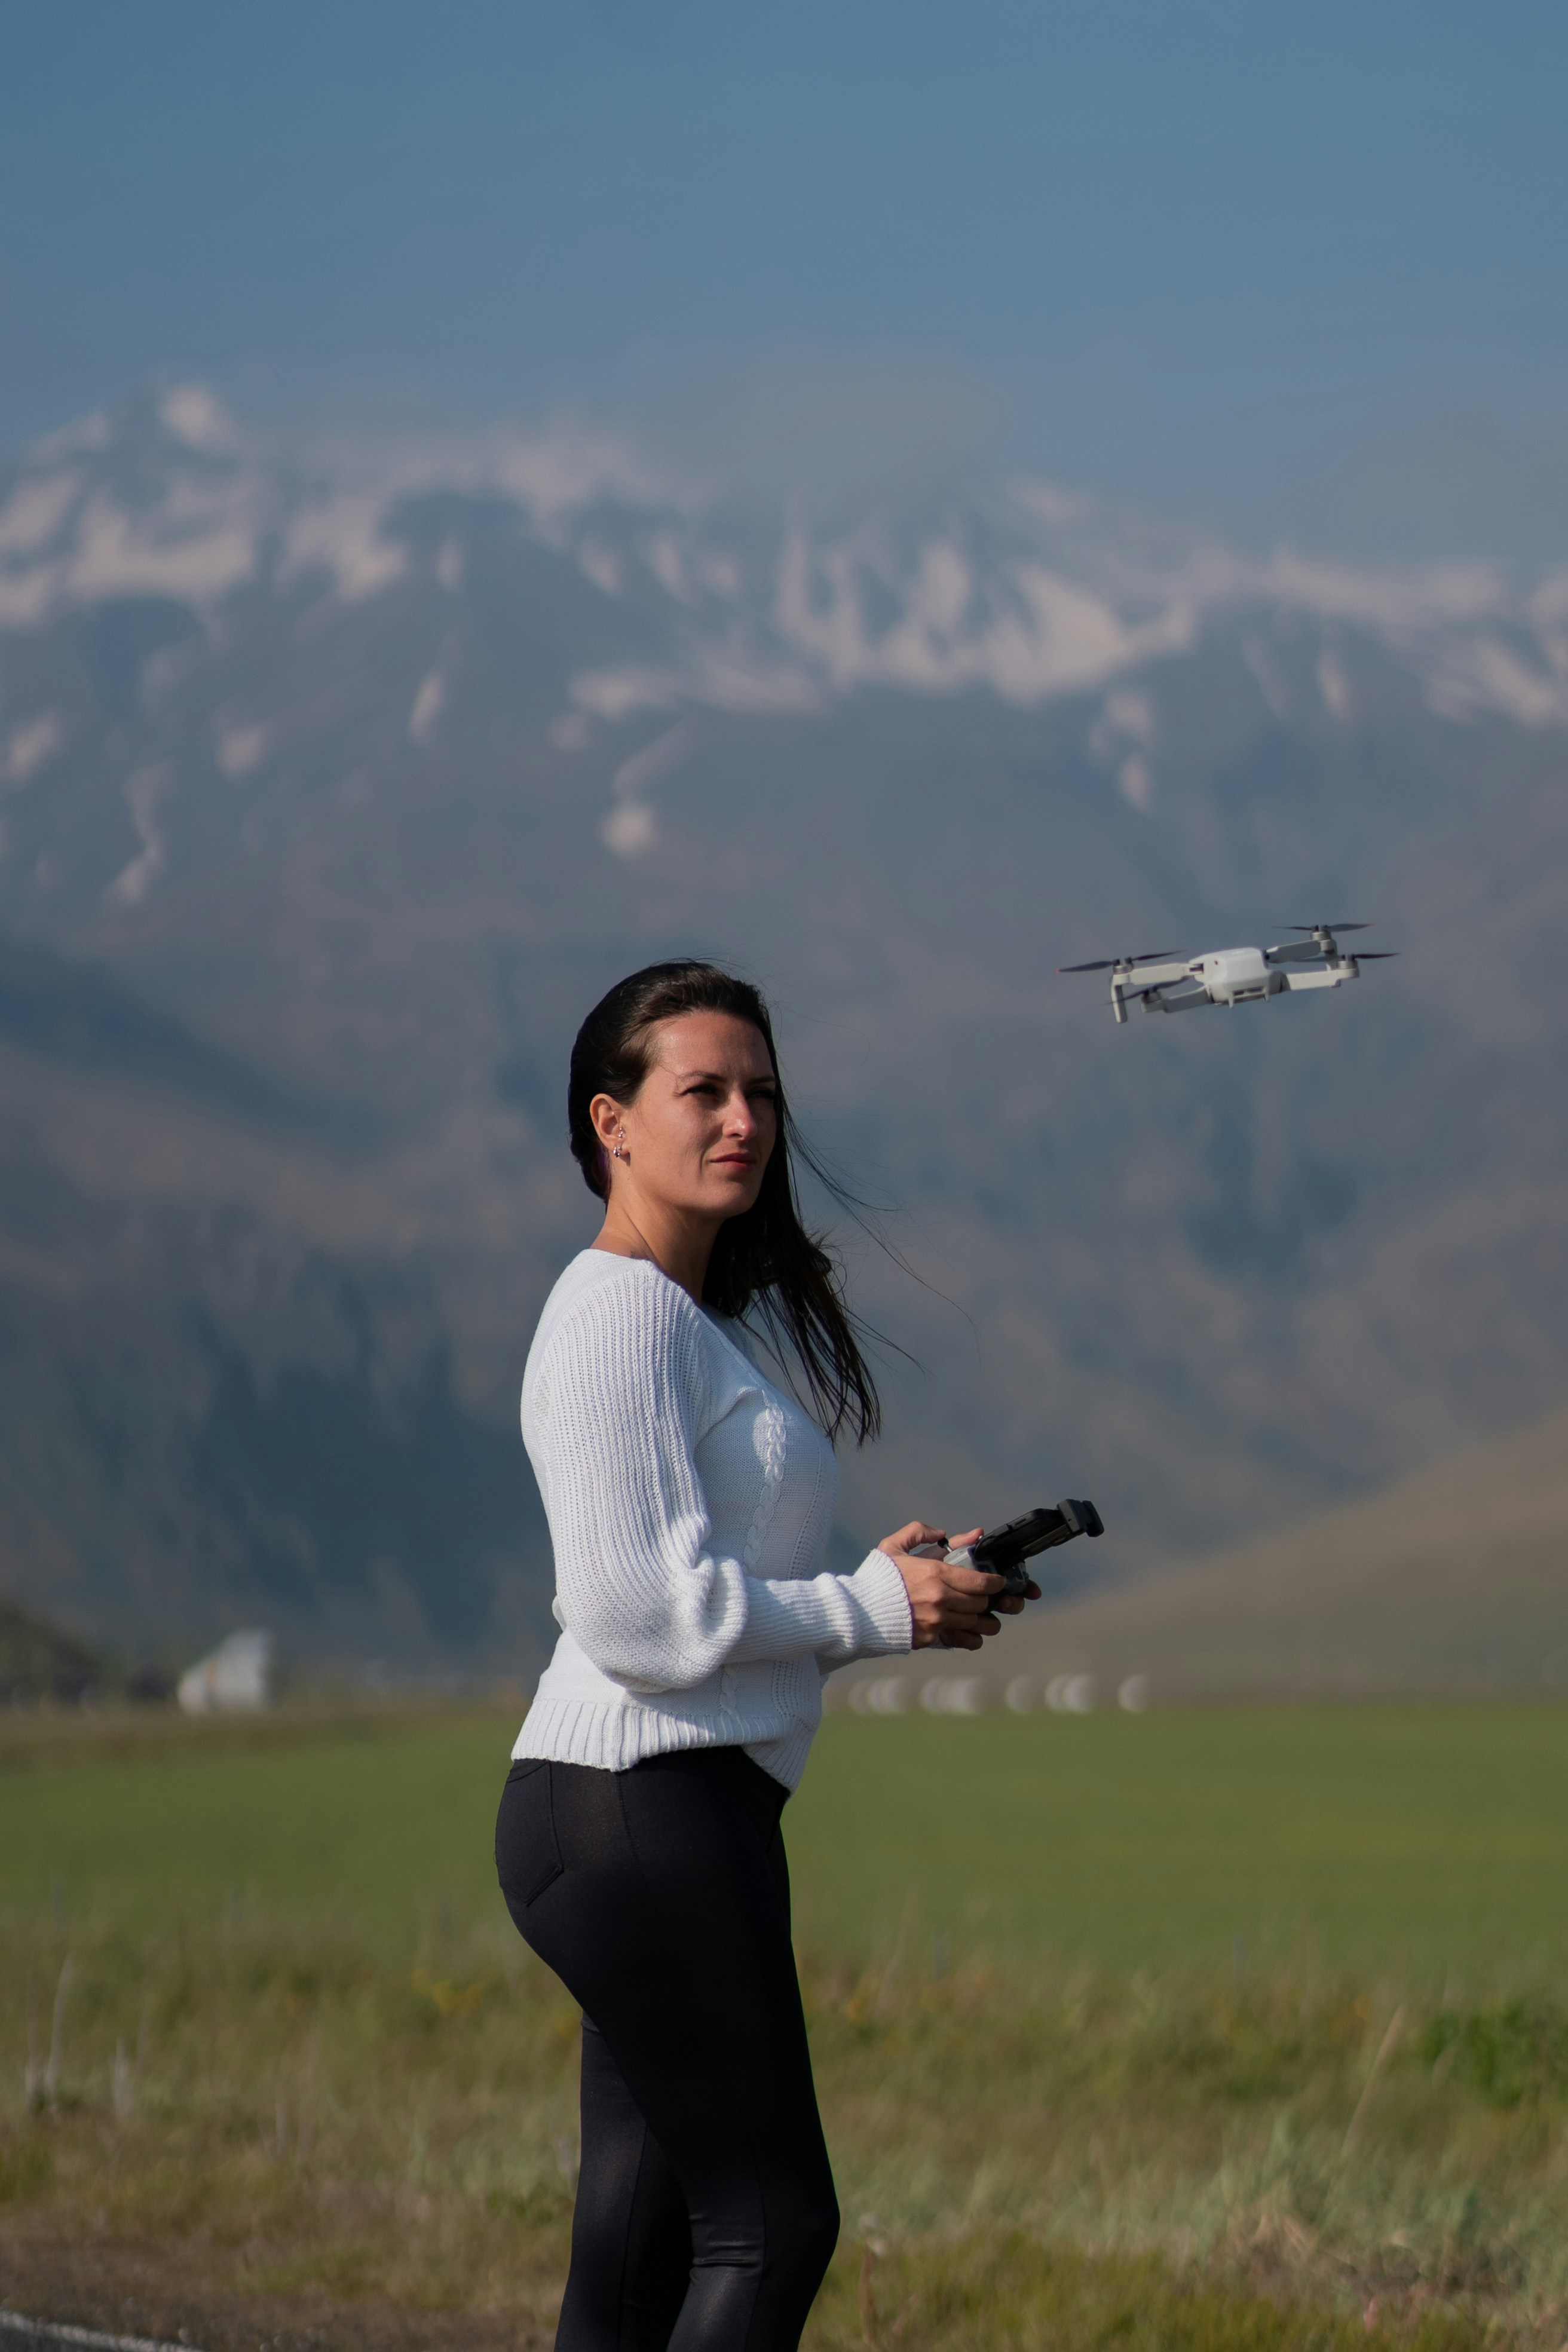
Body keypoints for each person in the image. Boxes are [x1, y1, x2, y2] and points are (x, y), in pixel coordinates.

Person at [494, 961, 1033, 2352]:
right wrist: (869, 1609)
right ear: (611, 1123)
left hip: (658, 1804)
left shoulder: (678, 1322)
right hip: (644, 1809)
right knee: (773, 2227)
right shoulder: (614, 1311)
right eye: (706, 1092)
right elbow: (637, 1613)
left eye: (764, 1095)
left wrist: (888, 1595)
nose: (745, 1121)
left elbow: (710, 1607)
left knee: (642, 2236)